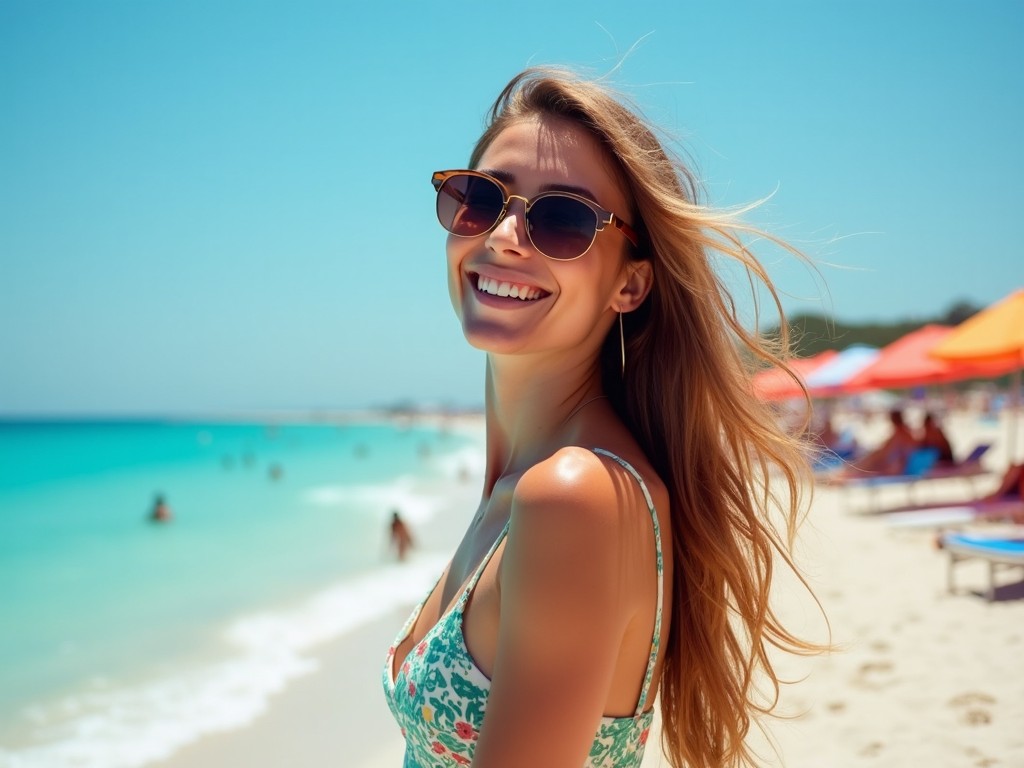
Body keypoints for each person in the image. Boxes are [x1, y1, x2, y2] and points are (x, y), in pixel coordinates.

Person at [381, 68, 821, 768]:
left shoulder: (573, 497)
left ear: (630, 282)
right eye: (480, 199)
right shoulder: (529, 486)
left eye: (562, 220)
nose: (504, 235)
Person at [849, 409, 918, 475]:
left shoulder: (901, 432)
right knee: (874, 455)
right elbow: (888, 445)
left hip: (901, 462)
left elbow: (890, 448)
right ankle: (855, 471)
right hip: (899, 459)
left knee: (875, 457)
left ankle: (854, 472)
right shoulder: (902, 431)